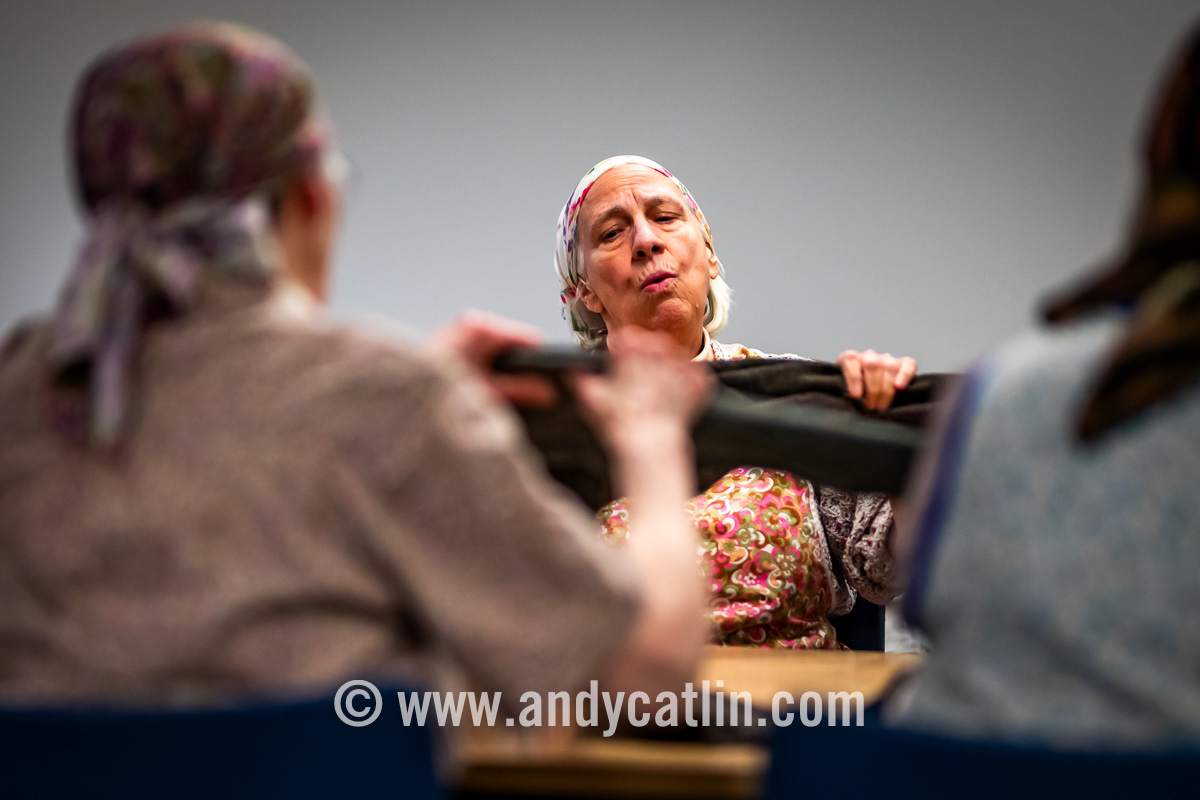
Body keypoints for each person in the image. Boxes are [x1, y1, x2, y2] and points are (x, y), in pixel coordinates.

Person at [0, 23, 711, 708]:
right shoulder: (387, 401)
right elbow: (646, 674)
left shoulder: (16, 388)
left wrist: (412, 390)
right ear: (309, 197)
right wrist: (652, 442)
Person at [889, 22, 1200, 749]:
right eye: (624, 229)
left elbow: (910, 587)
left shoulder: (1005, 387)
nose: (649, 244)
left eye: (665, 217)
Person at [554, 155, 917, 648]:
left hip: (801, 694)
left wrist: (891, 434)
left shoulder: (793, 397)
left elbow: (905, 563)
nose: (646, 241)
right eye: (613, 233)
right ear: (585, 293)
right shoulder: (560, 426)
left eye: (665, 217)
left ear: (709, 253)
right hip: (633, 695)